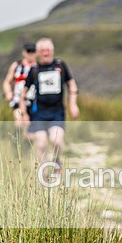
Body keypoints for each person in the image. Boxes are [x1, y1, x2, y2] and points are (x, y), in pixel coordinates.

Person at [23, 37, 80, 173]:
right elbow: (23, 93)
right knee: (41, 144)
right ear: (37, 53)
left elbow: (71, 84)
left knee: (57, 142)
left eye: (48, 50)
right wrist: (24, 113)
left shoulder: (60, 66)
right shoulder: (34, 70)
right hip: (39, 114)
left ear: (52, 51)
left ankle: (57, 161)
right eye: (42, 50)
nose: (45, 53)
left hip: (57, 112)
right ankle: (43, 174)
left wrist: (73, 104)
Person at [2, 42, 37, 128]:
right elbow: (7, 81)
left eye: (33, 51)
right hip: (18, 99)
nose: (31, 54)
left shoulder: (38, 67)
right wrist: (8, 93)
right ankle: (19, 139)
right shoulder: (17, 66)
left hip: (34, 100)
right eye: (29, 51)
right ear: (24, 52)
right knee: (19, 122)